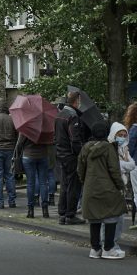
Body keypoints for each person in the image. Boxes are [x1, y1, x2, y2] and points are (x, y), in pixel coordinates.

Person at [78, 121, 126, 260]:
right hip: (107, 187)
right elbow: (114, 170)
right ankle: (109, 248)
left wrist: (85, 182)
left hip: (90, 187)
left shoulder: (85, 147)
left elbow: (80, 169)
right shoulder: (109, 148)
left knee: (94, 218)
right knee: (111, 215)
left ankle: (95, 248)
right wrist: (120, 186)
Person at [55, 91, 86, 225]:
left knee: (64, 185)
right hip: (71, 156)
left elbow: (56, 136)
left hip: (61, 154)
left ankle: (62, 213)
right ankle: (70, 214)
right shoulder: (73, 117)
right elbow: (75, 139)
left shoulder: (59, 115)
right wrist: (80, 154)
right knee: (74, 185)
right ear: (76, 101)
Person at [107, 122, 133, 254]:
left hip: (121, 186)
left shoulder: (124, 148)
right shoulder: (109, 148)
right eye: (120, 135)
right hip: (113, 186)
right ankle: (108, 244)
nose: (122, 137)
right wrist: (125, 162)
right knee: (110, 218)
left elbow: (132, 164)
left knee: (120, 218)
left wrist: (126, 160)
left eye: (124, 135)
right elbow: (117, 166)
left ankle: (114, 243)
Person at [15, 132, 52, 218]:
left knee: (30, 183)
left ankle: (30, 210)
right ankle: (45, 210)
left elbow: (20, 143)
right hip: (43, 155)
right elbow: (50, 142)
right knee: (43, 183)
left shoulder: (26, 127)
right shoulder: (45, 127)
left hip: (28, 155)